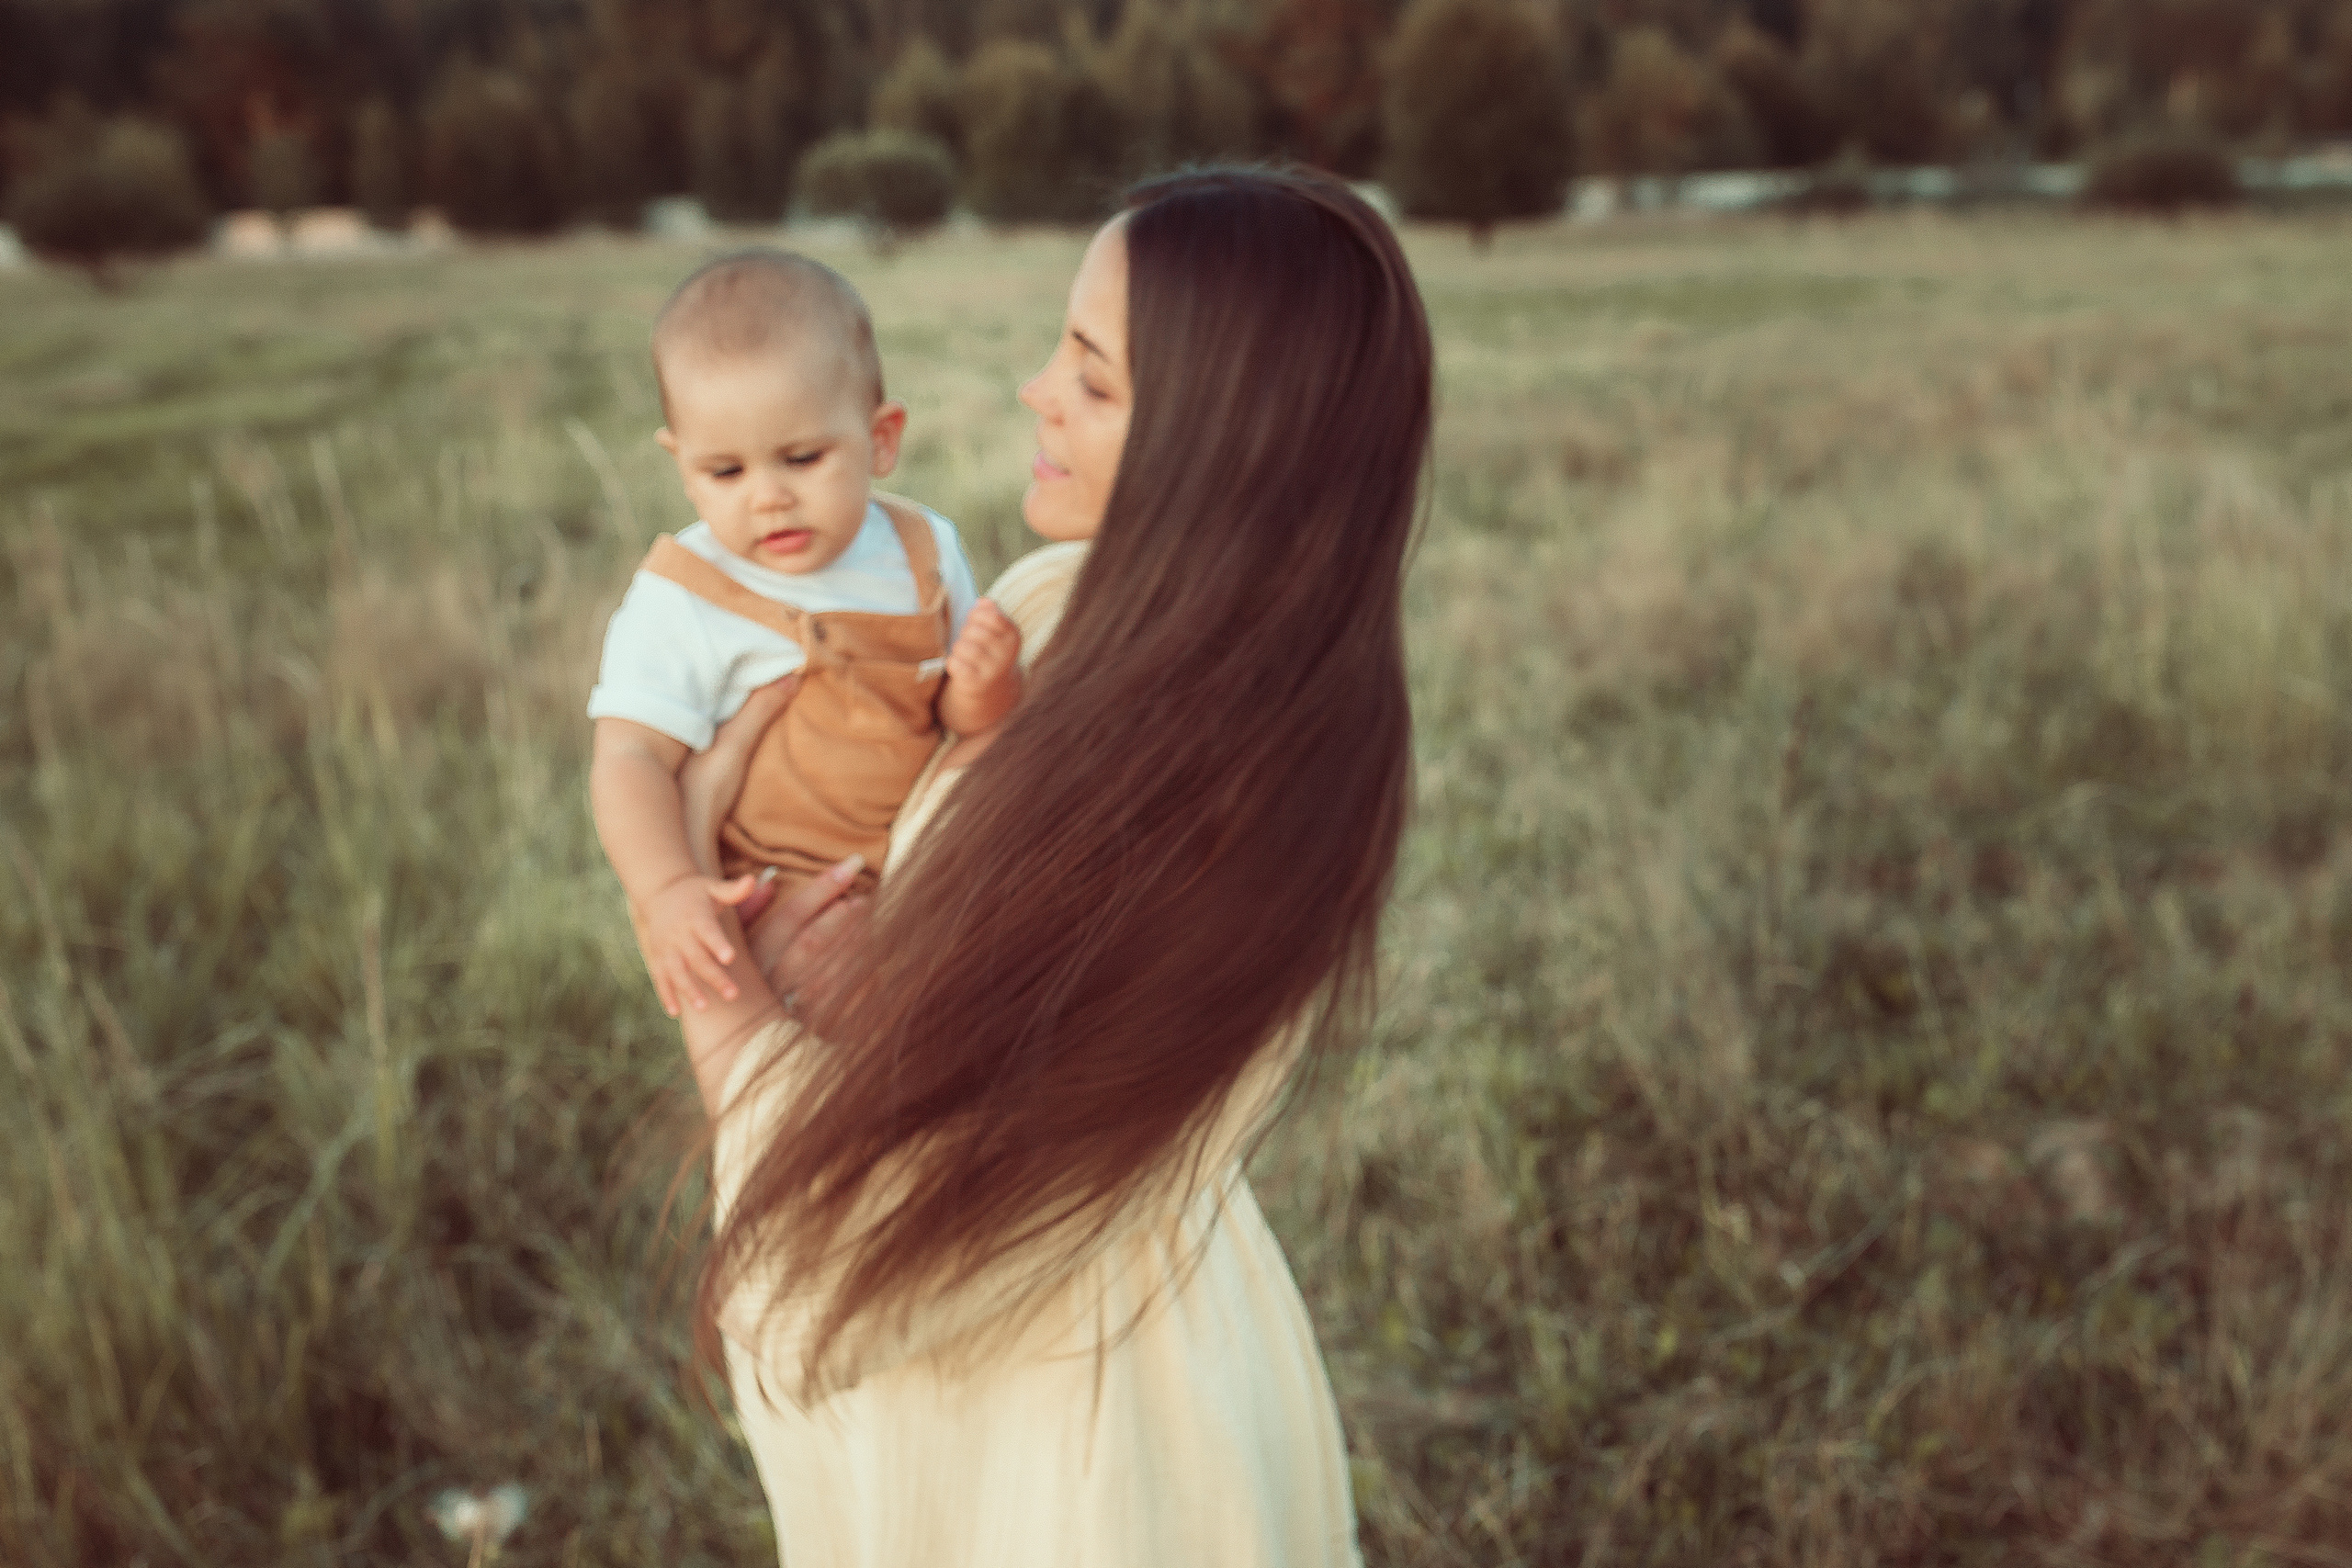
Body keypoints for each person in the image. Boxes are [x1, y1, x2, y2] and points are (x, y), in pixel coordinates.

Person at [670, 168, 1431, 1567]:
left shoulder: (1208, 760)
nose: (1035, 392)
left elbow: (852, 1266)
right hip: (1077, 1327)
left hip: (1075, 1442)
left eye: (1091, 373)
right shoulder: (1049, 611)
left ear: (1224, 437)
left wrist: (720, 986)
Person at [585, 250, 1025, 1020]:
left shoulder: (924, 551)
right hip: (772, 901)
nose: (769, 498)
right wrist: (667, 890)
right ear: (681, 465)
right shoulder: (685, 593)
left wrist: (984, 691)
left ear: (881, 438)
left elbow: (949, 723)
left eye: (802, 458)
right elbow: (629, 755)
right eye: (725, 472)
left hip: (918, 883)